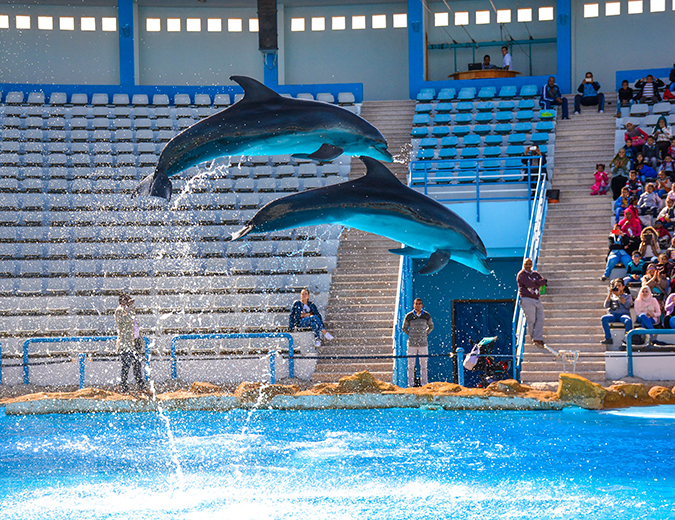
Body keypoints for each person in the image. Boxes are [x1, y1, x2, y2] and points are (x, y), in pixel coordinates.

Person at [115, 294, 146, 393]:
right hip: (126, 343)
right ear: (121, 301)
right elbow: (126, 319)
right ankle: (124, 386)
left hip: (134, 342)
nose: (129, 301)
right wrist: (131, 308)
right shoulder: (119, 310)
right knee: (126, 365)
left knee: (137, 365)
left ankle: (140, 386)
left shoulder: (129, 310)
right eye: (127, 300)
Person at [516, 258, 548, 350]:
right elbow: (529, 284)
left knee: (541, 318)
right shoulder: (521, 275)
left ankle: (538, 337)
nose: (528, 266)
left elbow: (544, 281)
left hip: (537, 299)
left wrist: (536, 282)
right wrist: (537, 283)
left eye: (530, 264)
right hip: (527, 299)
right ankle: (534, 338)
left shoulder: (535, 274)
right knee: (531, 320)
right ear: (523, 264)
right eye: (526, 264)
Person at [402, 298, 433, 387]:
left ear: (422, 305)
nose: (418, 305)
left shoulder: (426, 315)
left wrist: (426, 333)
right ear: (413, 305)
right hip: (412, 344)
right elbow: (404, 328)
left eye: (419, 304)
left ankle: (424, 384)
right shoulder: (409, 316)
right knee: (411, 366)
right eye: (416, 304)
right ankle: (410, 384)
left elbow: (431, 326)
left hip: (423, 344)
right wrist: (411, 334)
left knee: (424, 366)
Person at [600, 278, 633, 345]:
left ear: (623, 287)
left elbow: (627, 305)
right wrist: (609, 294)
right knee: (604, 318)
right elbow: (606, 305)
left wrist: (619, 296)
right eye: (616, 286)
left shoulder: (627, 296)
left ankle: (627, 339)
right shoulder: (612, 297)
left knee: (628, 320)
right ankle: (608, 338)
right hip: (613, 315)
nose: (617, 287)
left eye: (619, 286)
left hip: (623, 314)